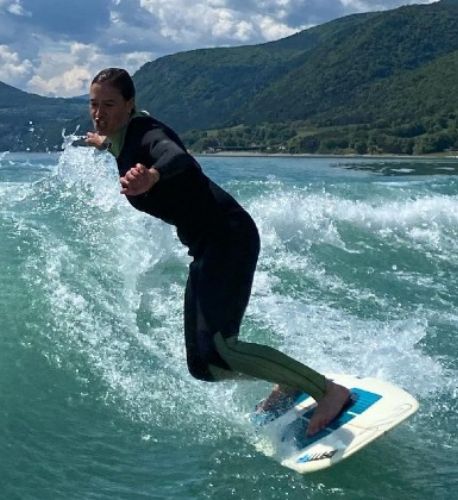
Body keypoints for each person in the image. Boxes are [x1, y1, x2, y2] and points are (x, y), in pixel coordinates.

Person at [85, 68, 350, 436]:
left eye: (109, 105)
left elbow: (178, 158)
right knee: (204, 366)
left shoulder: (148, 135)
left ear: (130, 104)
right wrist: (102, 142)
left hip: (230, 237)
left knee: (224, 348)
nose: (99, 113)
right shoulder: (122, 135)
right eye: (94, 104)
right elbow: (117, 142)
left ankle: (327, 390)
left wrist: (153, 177)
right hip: (204, 248)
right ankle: (288, 380)